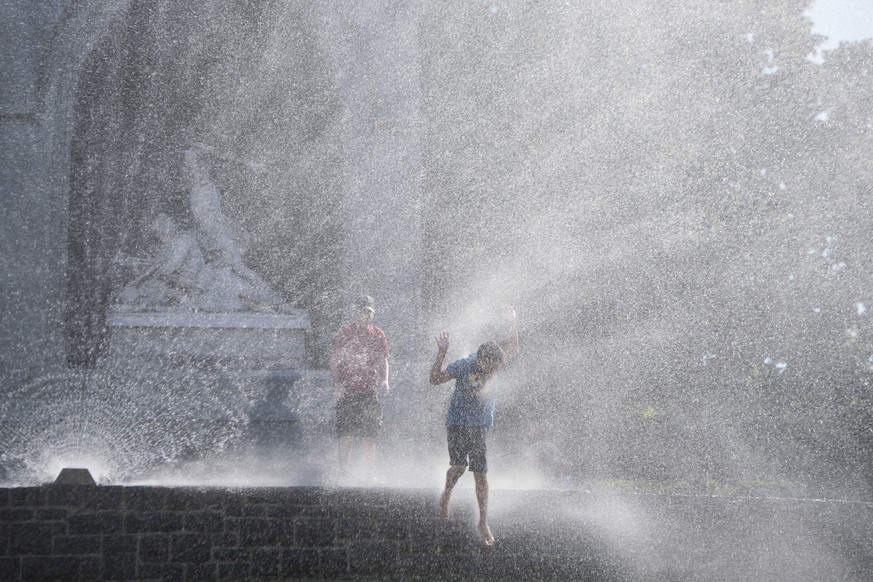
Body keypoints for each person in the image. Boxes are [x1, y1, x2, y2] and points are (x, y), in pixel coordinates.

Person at [429, 331, 508, 547]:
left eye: (496, 368)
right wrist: (441, 353)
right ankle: (446, 495)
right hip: (457, 423)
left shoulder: (494, 362)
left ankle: (483, 522)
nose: (492, 371)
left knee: (481, 475)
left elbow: (514, 348)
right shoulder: (463, 365)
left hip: (480, 427)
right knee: (458, 467)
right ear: (481, 359)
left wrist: (512, 321)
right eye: (490, 367)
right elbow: (434, 380)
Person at [330, 295, 390, 482]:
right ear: (355, 311)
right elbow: (334, 358)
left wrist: (385, 380)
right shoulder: (345, 331)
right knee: (346, 434)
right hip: (348, 390)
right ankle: (343, 472)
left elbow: (383, 360)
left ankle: (369, 474)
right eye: (362, 311)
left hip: (369, 391)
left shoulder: (378, 334)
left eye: (369, 312)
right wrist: (338, 383)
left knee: (370, 435)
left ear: (373, 313)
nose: (366, 315)